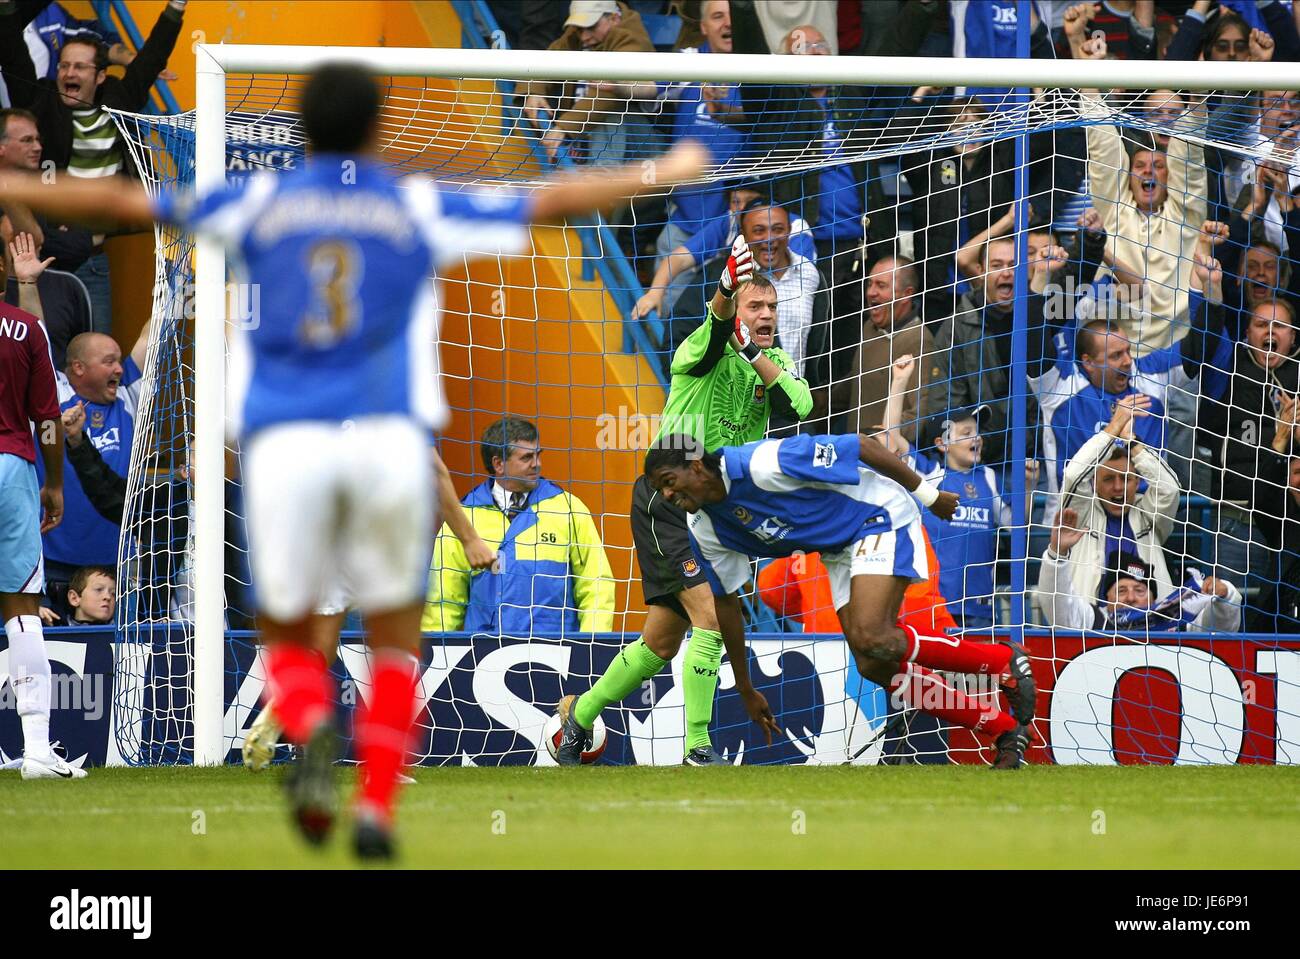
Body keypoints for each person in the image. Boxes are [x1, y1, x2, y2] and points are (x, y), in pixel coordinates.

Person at [0, 62, 707, 856]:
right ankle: (374, 801)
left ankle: (307, 727)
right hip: (384, 438)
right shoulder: (410, 202)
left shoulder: (261, 200)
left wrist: (17, 183)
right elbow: (550, 200)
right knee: (396, 627)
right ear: (376, 128)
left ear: (302, 129)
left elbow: (115, 201)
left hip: (287, 442)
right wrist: (662, 168)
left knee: (289, 623)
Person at [553, 238, 811, 767]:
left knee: (661, 643)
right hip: (668, 498)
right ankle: (697, 746)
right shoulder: (700, 346)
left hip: (719, 508)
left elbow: (798, 405)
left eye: (771, 308)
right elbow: (717, 329)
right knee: (710, 621)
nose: (765, 314)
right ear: (737, 309)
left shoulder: (773, 360)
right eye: (754, 306)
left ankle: (579, 714)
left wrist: (753, 350)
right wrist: (722, 292)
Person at [639, 430, 1038, 769]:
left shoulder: (763, 462)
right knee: (872, 663)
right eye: (660, 490)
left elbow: (862, 445)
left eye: (668, 481)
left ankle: (1003, 661)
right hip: (837, 548)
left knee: (873, 635)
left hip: (877, 514)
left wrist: (928, 495)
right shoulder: (705, 527)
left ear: (695, 466)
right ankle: (1001, 728)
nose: (668, 493)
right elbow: (726, 604)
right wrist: (744, 686)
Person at [0, 0, 188, 331]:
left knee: (96, 352)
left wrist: (175, 7)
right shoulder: (41, 101)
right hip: (41, 261)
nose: (69, 73)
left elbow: (150, 60)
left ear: (100, 75)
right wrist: (6, 8)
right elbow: (13, 54)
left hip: (93, 263)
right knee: (39, 353)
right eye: (64, 66)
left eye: (80, 67)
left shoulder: (118, 99)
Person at [0, 228, 79, 779]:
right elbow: (47, 418)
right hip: (10, 467)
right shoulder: (24, 328)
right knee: (21, 611)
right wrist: (53, 482)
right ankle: (35, 753)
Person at [1073, 28, 1207, 354]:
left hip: (1174, 360)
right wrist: (1089, 76)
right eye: (1140, 165)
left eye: (1158, 166)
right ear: (1128, 176)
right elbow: (1103, 148)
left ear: (1170, 176)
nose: (1148, 171)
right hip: (1115, 357)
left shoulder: (1185, 214)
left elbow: (1189, 157)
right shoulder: (1113, 209)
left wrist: (1198, 95)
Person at [423, 416, 615, 635]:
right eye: (526, 457)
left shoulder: (569, 508)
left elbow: (596, 584)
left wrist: (591, 644)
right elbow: (443, 600)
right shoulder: (464, 518)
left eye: (537, 455)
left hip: (557, 653)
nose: (537, 464)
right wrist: (434, 654)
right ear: (498, 464)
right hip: (483, 655)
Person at [911, 405, 1037, 630]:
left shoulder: (988, 477)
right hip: (935, 603)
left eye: (977, 432)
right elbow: (891, 442)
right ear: (942, 444)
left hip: (980, 605)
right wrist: (899, 382)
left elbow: (1015, 524)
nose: (977, 438)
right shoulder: (929, 474)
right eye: (966, 433)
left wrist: (1028, 486)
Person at [1051, 394, 1182, 607]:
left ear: (1138, 480)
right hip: (1092, 628)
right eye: (1109, 479)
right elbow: (1073, 476)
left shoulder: (1148, 513)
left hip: (1152, 625)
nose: (1118, 487)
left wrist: (1130, 440)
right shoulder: (1081, 512)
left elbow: (1170, 488)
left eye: (1126, 479)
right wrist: (1113, 429)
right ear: (1094, 482)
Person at [825, 255, 947, 443]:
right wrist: (818, 403)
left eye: (881, 286)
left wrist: (882, 440)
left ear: (906, 294)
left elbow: (921, 411)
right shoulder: (870, 327)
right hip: (854, 454)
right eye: (869, 284)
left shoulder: (919, 340)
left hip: (884, 461)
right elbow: (858, 379)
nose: (871, 292)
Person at [520, 1, 657, 165]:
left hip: (640, 143)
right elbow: (547, 61)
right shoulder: (577, 34)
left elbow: (608, 95)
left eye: (591, 27)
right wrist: (533, 92)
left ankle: (600, 179)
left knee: (607, 113)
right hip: (585, 135)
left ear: (614, 18)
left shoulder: (632, 39)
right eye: (580, 28)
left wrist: (564, 127)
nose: (584, 36)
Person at [1039, 529, 1243, 633]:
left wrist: (1226, 593)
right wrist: (1057, 553)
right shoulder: (1094, 620)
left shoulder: (1175, 621)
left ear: (1154, 597)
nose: (1131, 598)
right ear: (1106, 597)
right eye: (1121, 591)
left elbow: (1222, 627)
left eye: (1139, 590)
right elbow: (1057, 606)